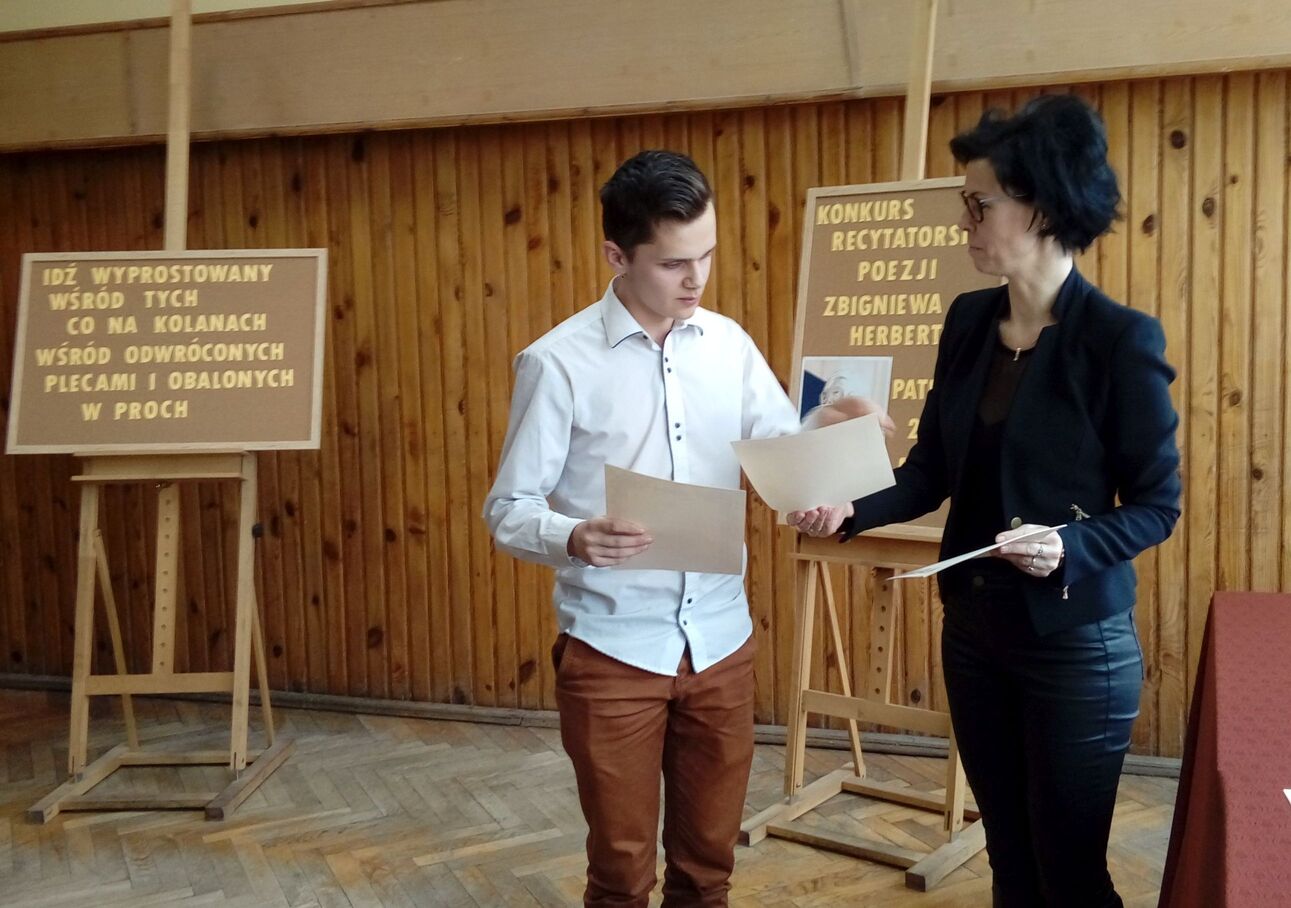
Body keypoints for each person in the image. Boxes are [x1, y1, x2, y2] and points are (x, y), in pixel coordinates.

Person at [790, 95, 1181, 907]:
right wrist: (850, 510)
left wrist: (1069, 547)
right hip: (972, 634)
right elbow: (928, 471)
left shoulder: (1117, 339)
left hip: (1074, 647)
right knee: (1009, 861)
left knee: (1069, 876)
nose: (962, 221)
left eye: (978, 204)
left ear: (1042, 206)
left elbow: (1156, 504)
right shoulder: (968, 320)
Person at [484, 150, 877, 907]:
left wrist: (825, 459)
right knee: (621, 877)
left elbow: (779, 457)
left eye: (707, 255)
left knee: (708, 872)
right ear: (616, 256)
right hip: (612, 653)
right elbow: (507, 509)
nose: (696, 280)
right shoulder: (556, 364)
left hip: (722, 647)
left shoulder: (728, 346)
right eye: (673, 264)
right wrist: (574, 537)